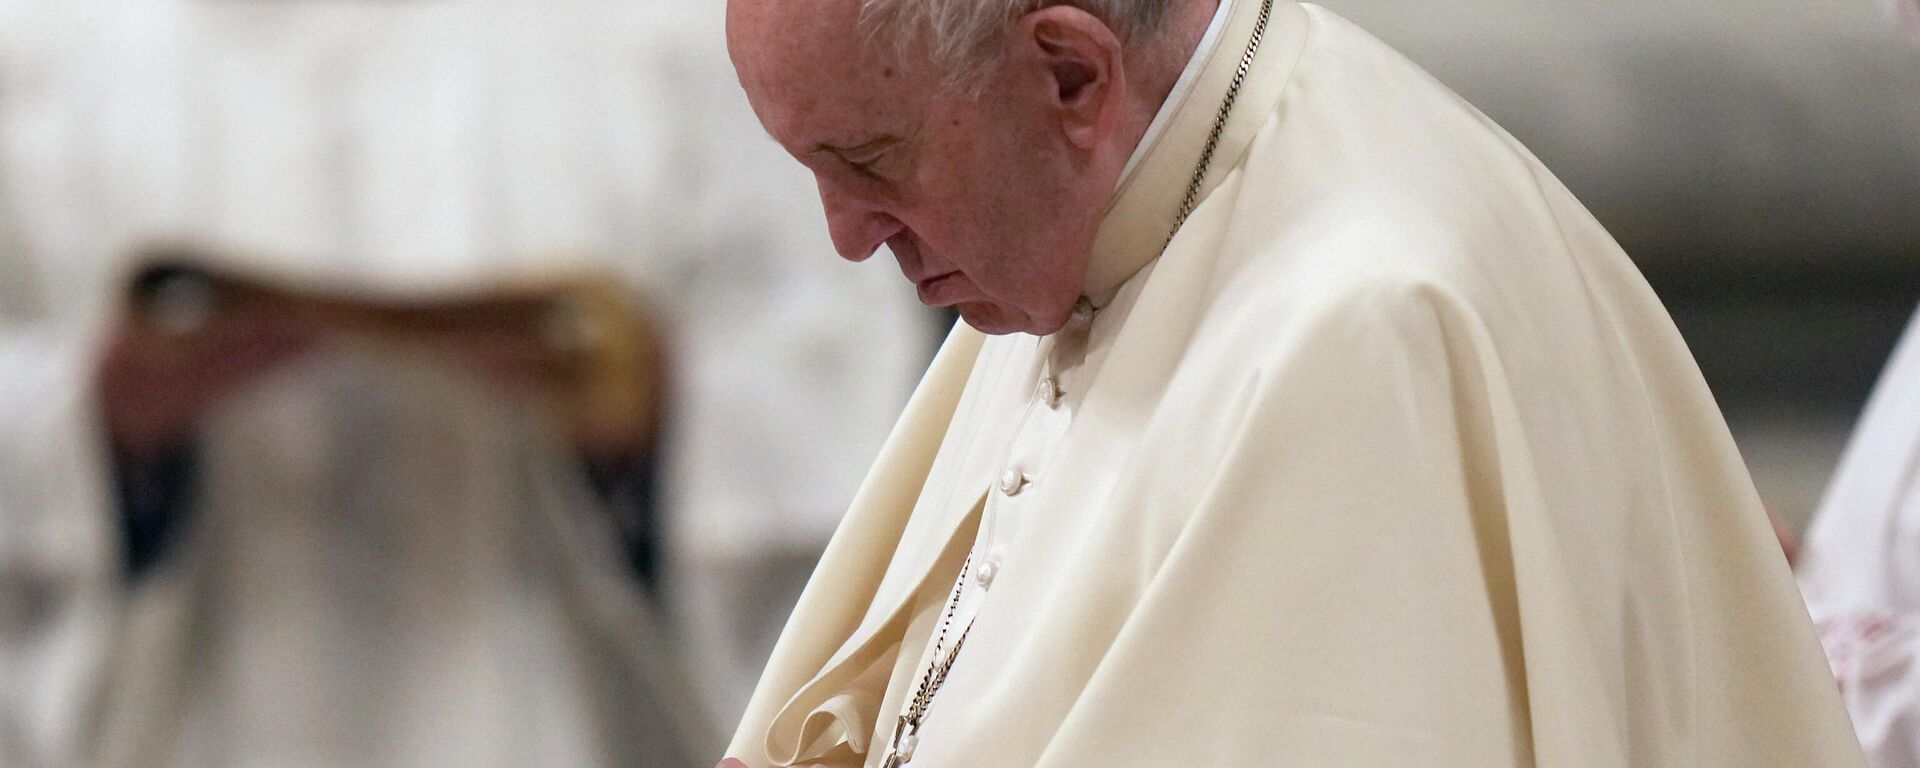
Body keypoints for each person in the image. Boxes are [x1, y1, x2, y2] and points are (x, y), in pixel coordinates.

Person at [716, 0, 1865, 766]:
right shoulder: (1091, 218)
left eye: (868, 162)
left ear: (1070, 74)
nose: (848, 239)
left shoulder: (1367, 336)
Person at [0, 1, 930, 765]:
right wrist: (103, 426)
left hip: (561, 709)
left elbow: (838, 388)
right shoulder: (42, 48)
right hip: (197, 710)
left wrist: (645, 424)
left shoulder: (669, 35)